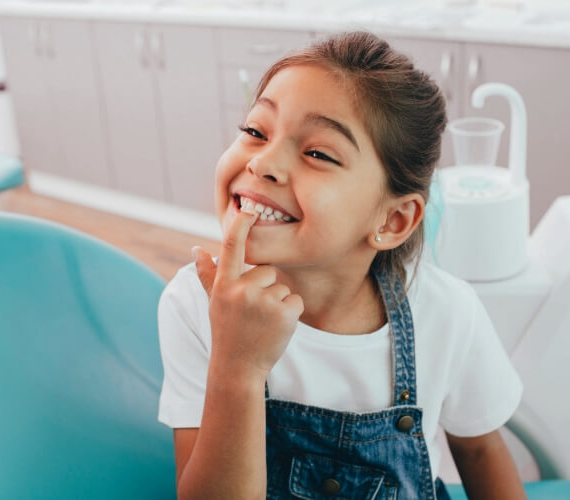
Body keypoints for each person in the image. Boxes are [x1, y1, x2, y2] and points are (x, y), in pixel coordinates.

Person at [157, 31, 525, 499]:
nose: (263, 163)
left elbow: (480, 453)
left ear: (392, 220)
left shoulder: (448, 312)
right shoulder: (193, 304)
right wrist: (237, 366)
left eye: (317, 153)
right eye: (255, 131)